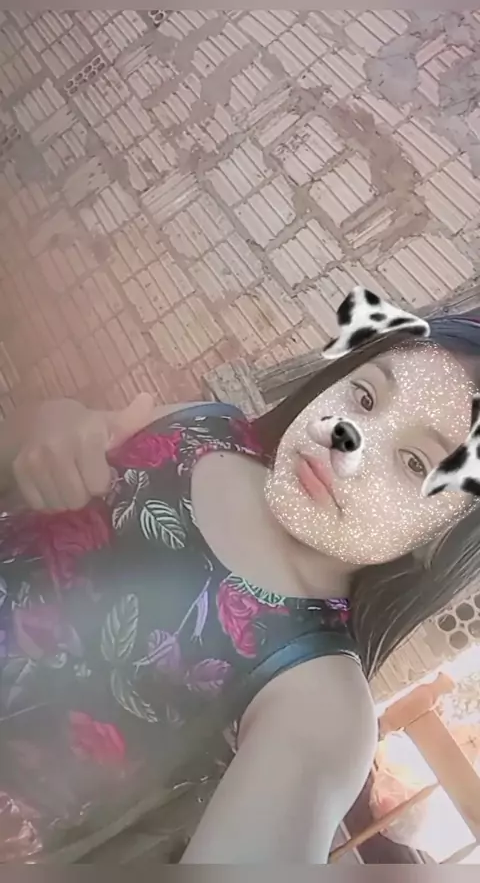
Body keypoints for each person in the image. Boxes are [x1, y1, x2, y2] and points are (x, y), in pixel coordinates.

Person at [0, 287, 479, 864]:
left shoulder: (319, 697)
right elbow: (25, 449)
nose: (347, 438)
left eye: (415, 462)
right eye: (366, 396)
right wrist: (51, 427)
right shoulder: (204, 426)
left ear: (442, 538)